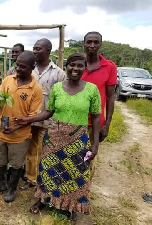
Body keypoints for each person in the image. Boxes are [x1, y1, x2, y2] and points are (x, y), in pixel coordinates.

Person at [15, 53, 101, 220]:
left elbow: (96, 116)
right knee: (48, 170)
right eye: (72, 65)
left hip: (78, 139)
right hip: (54, 137)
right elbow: (48, 112)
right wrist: (28, 119)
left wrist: (95, 143)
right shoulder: (57, 87)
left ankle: (71, 206)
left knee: (76, 174)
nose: (75, 69)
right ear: (66, 67)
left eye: (79, 66)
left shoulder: (92, 89)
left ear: (85, 68)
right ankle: (43, 200)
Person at [0, 51, 43, 202]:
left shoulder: (35, 89)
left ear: (32, 67)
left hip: (20, 135)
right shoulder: (8, 80)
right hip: (1, 130)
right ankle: (0, 184)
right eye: (17, 65)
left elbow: (32, 116)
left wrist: (16, 128)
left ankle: (12, 189)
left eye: (22, 67)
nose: (18, 69)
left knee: (16, 165)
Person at [21, 38, 66, 190]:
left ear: (48, 50)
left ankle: (44, 180)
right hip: (28, 118)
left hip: (48, 120)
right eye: (34, 48)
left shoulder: (59, 73)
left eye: (38, 49)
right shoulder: (29, 69)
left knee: (46, 151)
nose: (35, 51)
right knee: (30, 150)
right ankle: (31, 179)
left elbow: (62, 98)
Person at [81, 31, 117, 178]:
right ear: (84, 44)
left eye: (96, 42)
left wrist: (107, 124)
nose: (92, 45)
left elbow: (110, 97)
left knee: (89, 157)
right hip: (75, 120)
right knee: (73, 158)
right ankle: (71, 192)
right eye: (89, 42)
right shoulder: (77, 64)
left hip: (95, 123)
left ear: (100, 45)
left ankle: (84, 193)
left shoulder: (109, 67)